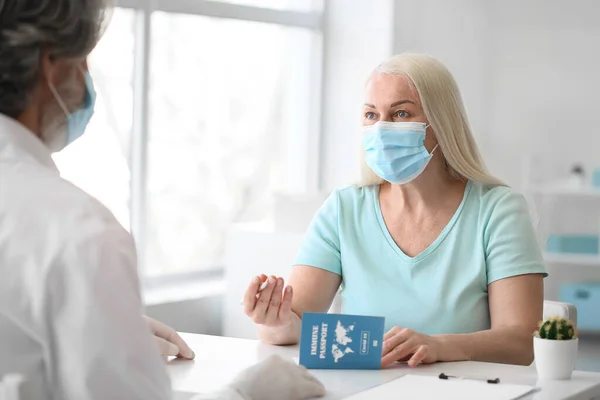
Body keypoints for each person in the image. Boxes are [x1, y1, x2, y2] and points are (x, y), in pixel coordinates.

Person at [0, 0, 325, 399]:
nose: (87, 79)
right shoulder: (79, 231)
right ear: (51, 62)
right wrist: (246, 394)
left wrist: (105, 326)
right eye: (84, 60)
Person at [244, 53, 547, 368]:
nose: (382, 129)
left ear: (441, 123)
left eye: (401, 113)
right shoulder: (343, 209)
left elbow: (522, 340)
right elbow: (298, 325)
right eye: (371, 115)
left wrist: (438, 345)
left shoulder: (498, 211)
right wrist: (274, 321)